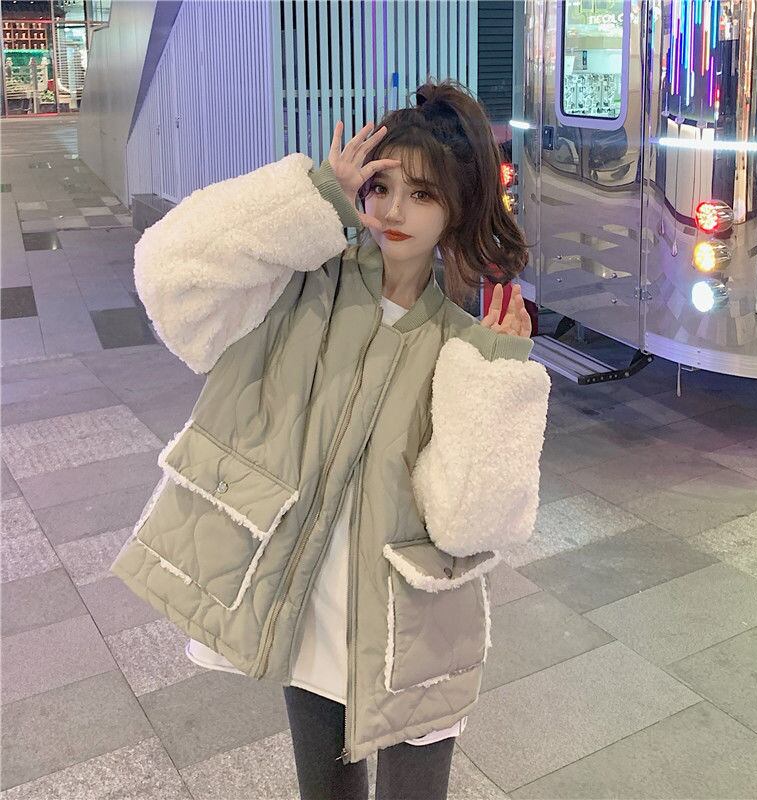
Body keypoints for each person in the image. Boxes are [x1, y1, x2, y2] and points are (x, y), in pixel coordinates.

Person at [110, 78, 551, 800]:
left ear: (458, 206)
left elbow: (470, 521)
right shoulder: (300, 286)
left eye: (423, 193)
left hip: (410, 624)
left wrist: (497, 377)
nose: (395, 211)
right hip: (307, 599)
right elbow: (169, 273)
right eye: (382, 186)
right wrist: (314, 196)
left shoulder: (463, 342)